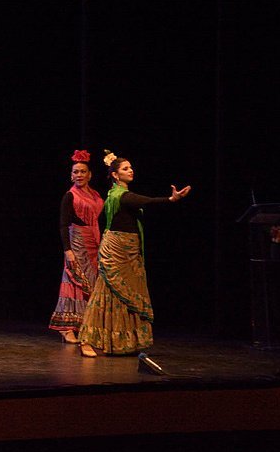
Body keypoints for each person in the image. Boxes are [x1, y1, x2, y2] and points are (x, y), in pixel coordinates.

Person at [77, 150, 190, 357]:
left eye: (130, 167)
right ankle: (87, 340)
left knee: (125, 295)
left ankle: (123, 341)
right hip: (117, 251)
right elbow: (146, 201)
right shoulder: (121, 195)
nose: (131, 171)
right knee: (105, 292)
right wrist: (171, 199)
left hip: (128, 249)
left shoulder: (116, 195)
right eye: (125, 168)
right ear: (115, 175)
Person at [48, 150, 104, 344]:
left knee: (91, 283)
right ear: (71, 175)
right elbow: (63, 225)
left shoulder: (96, 195)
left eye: (82, 171)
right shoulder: (70, 196)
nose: (79, 175)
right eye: (75, 172)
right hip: (77, 242)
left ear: (90, 175)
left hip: (93, 244)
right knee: (73, 281)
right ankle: (66, 327)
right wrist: (68, 250)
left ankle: (85, 325)